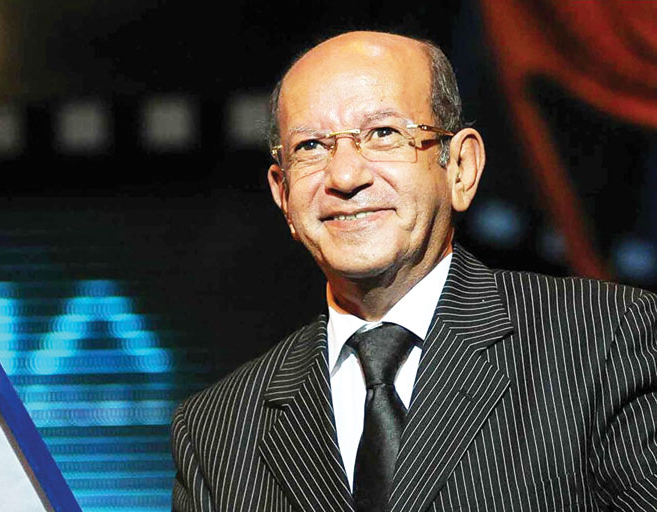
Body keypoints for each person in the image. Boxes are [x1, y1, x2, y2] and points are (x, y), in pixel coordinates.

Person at [170, 31, 657, 512]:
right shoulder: (217, 430)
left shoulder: (605, 341)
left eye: (384, 134)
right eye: (311, 146)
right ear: (283, 195)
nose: (345, 177)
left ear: (460, 168)